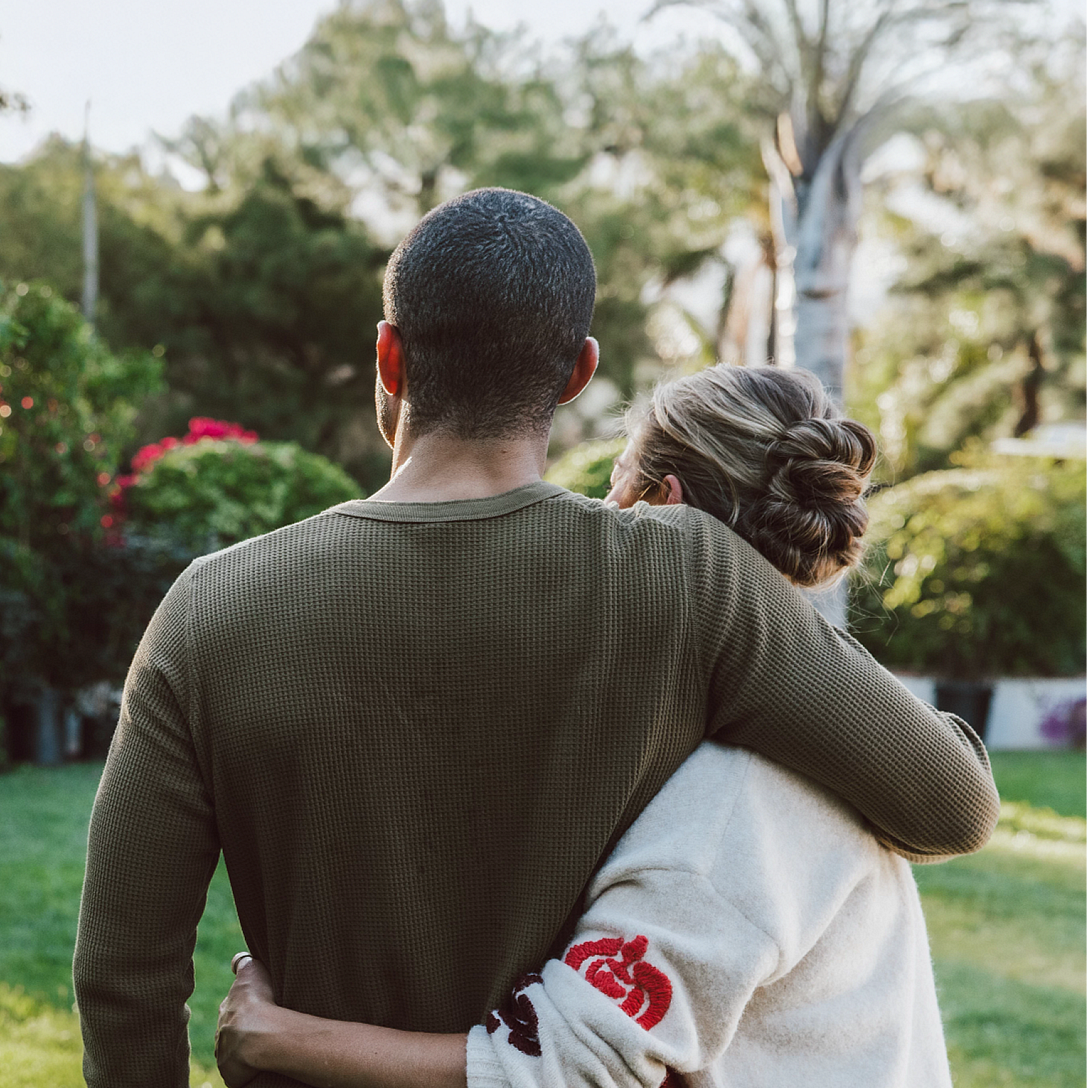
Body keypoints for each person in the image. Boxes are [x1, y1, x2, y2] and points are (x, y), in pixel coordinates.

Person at [71, 187, 998, 1088]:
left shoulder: (211, 607)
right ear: (577, 374)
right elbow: (953, 804)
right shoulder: (684, 577)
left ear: (389, 357)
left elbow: (124, 975)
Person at [213, 365, 950, 1087]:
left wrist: (280, 1041)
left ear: (663, 507)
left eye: (612, 485)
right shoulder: (825, 742)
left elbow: (560, 1067)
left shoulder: (735, 807)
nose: (595, 511)